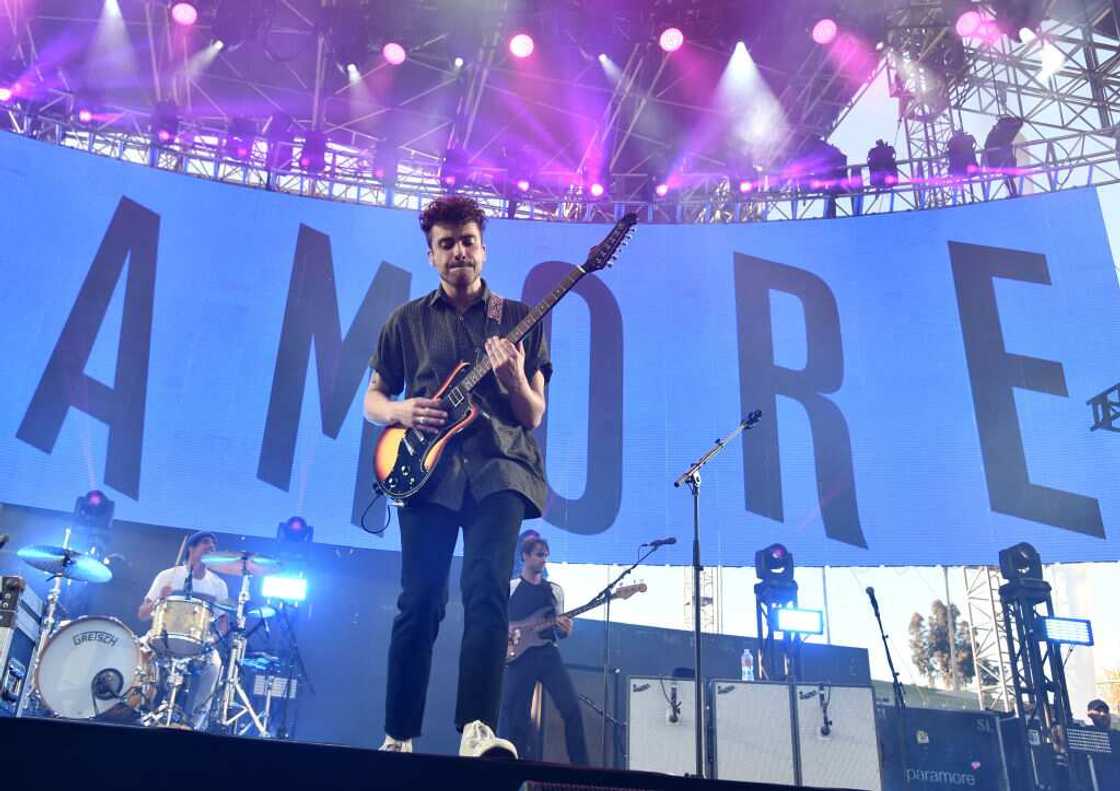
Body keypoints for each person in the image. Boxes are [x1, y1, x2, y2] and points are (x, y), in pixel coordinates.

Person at [364, 194, 552, 758]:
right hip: (426, 473)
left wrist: (516, 377)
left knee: (487, 592)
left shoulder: (520, 319)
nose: (459, 252)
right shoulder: (405, 322)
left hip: (501, 470)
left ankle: (477, 729)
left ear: (483, 249)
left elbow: (534, 414)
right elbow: (375, 398)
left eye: (468, 241)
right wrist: (401, 412)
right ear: (431, 256)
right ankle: (399, 735)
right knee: (419, 601)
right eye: (446, 244)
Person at [500, 536, 589, 765]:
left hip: (548, 653)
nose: (543, 559)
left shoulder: (554, 591)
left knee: (571, 708)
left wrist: (565, 629)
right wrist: (509, 636)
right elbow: (499, 623)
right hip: (520, 657)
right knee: (516, 717)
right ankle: (514, 768)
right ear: (525, 556)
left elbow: (560, 630)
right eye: (539, 554)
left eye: (546, 555)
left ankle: (581, 768)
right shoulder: (510, 588)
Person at [137, 530, 229, 730]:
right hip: (162, 638)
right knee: (138, 652)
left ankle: (195, 726)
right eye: (205, 543)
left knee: (215, 666)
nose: (210, 547)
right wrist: (159, 600)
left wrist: (213, 639)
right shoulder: (168, 576)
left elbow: (223, 623)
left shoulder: (218, 585)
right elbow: (142, 614)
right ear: (191, 548)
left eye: (213, 546)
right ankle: (136, 709)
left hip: (198, 642)